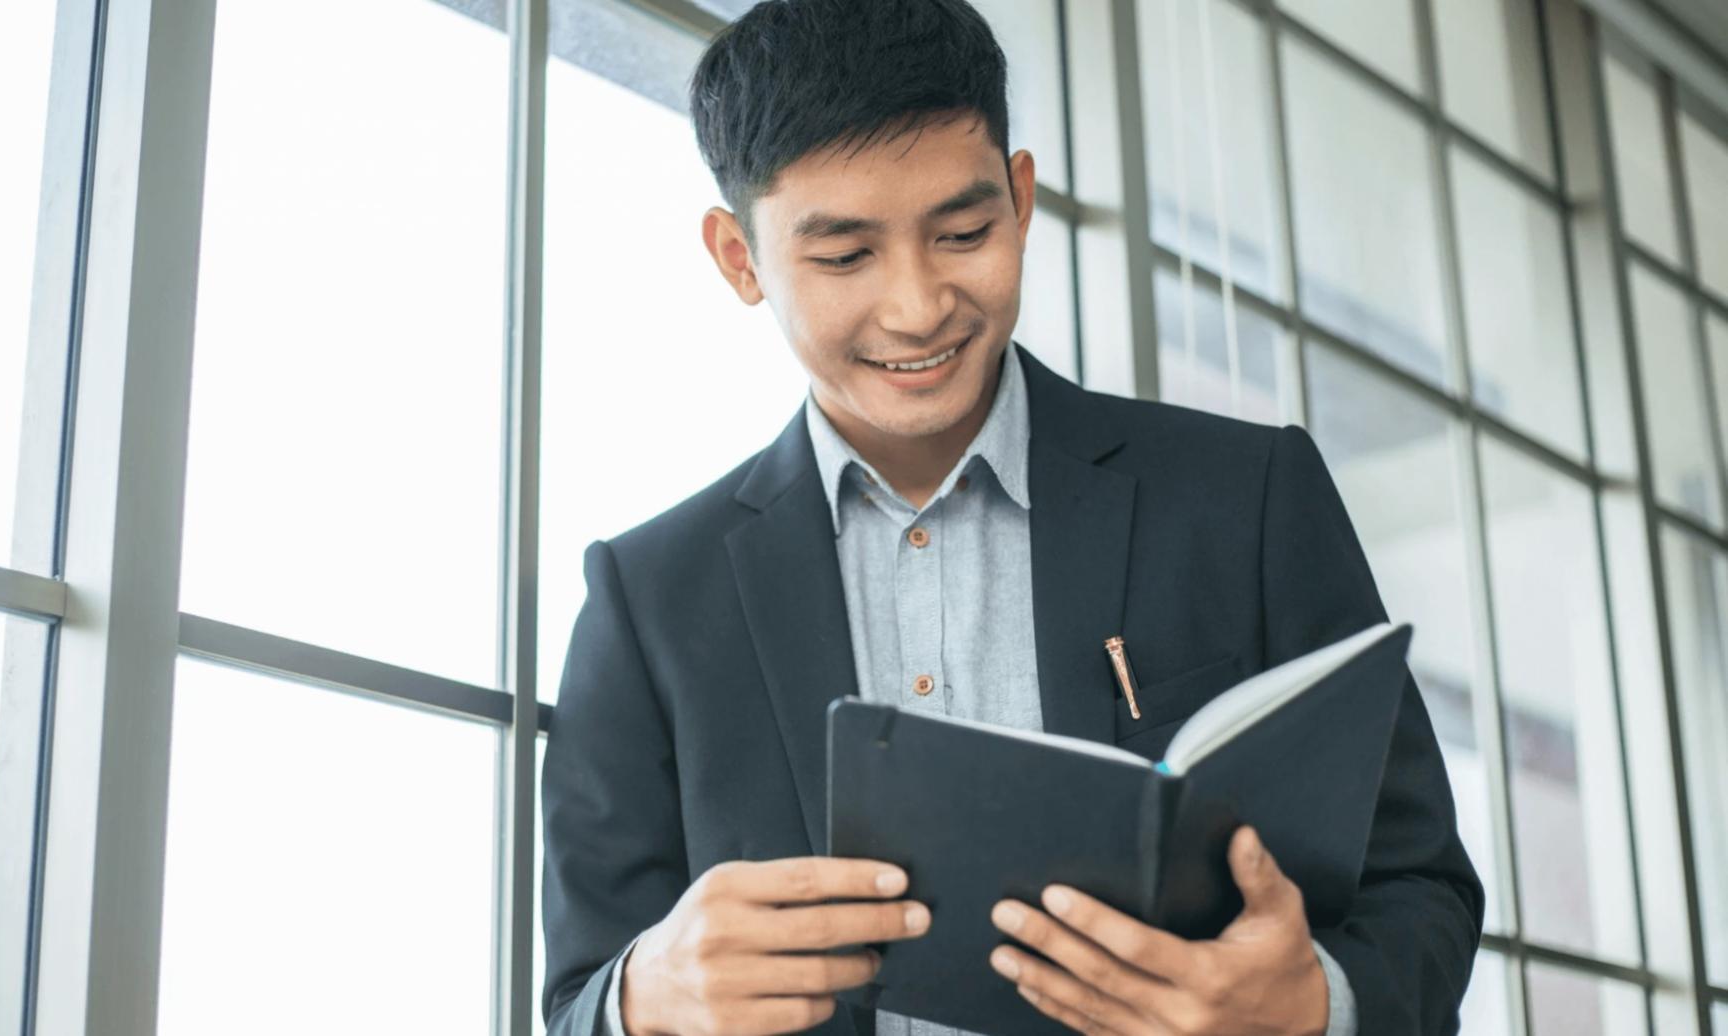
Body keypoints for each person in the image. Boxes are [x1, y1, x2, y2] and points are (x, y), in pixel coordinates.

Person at [539, 1, 1485, 1033]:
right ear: (740, 260)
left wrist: (1317, 1003)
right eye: (845, 257)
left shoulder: (1246, 498)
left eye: (963, 232)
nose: (918, 306)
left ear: (1022, 199)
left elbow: (1421, 884)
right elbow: (578, 996)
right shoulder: (647, 602)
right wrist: (642, 998)